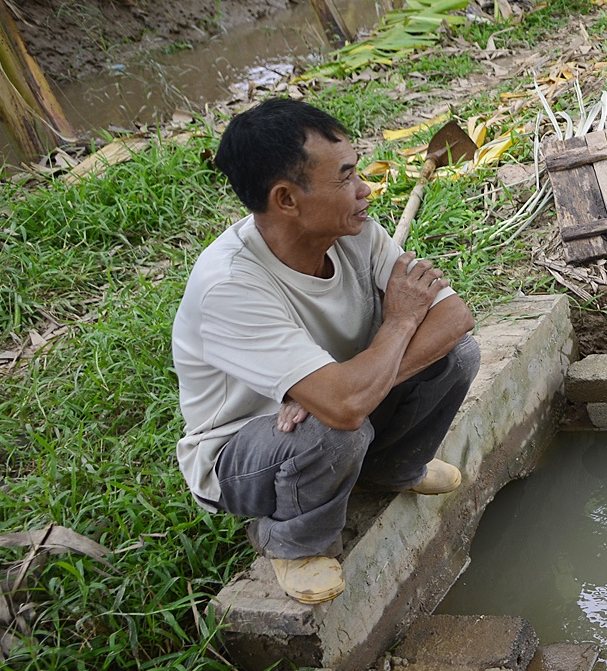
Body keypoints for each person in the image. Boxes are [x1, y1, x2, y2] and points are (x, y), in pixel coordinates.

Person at [173, 98, 478, 605]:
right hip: (241, 452)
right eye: (345, 178)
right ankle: (290, 541)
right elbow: (342, 408)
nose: (366, 190)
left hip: (333, 401)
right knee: (334, 429)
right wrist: (399, 321)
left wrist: (341, 386)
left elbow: (454, 317)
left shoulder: (353, 234)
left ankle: (391, 470)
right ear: (287, 199)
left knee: (457, 355)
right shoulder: (228, 286)